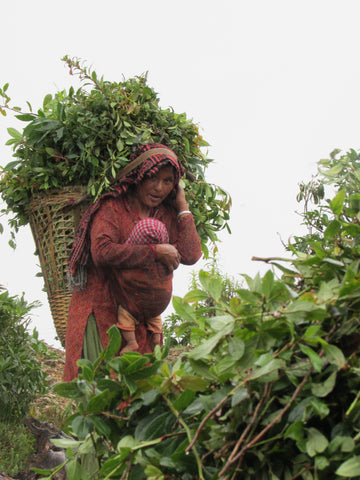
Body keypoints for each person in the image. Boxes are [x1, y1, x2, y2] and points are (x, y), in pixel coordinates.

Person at [63, 143, 202, 381]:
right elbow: (102, 252)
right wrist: (155, 251)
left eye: (168, 181)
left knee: (135, 395)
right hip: (102, 309)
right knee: (100, 389)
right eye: (152, 178)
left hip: (139, 319)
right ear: (138, 177)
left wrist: (182, 206)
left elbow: (190, 255)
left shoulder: (166, 215)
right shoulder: (113, 208)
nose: (159, 188)